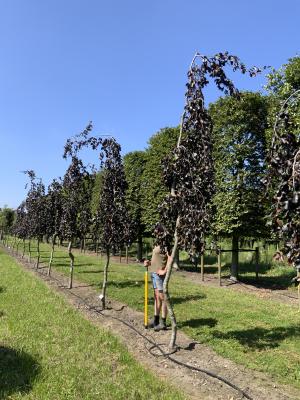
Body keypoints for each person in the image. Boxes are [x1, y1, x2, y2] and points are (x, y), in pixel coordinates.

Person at [144, 244, 169, 331]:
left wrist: (164, 271)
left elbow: (170, 258)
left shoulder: (166, 243)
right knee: (157, 297)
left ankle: (163, 322)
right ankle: (156, 321)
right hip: (154, 273)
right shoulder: (158, 242)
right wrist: (149, 263)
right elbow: (157, 259)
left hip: (159, 275)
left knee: (163, 298)